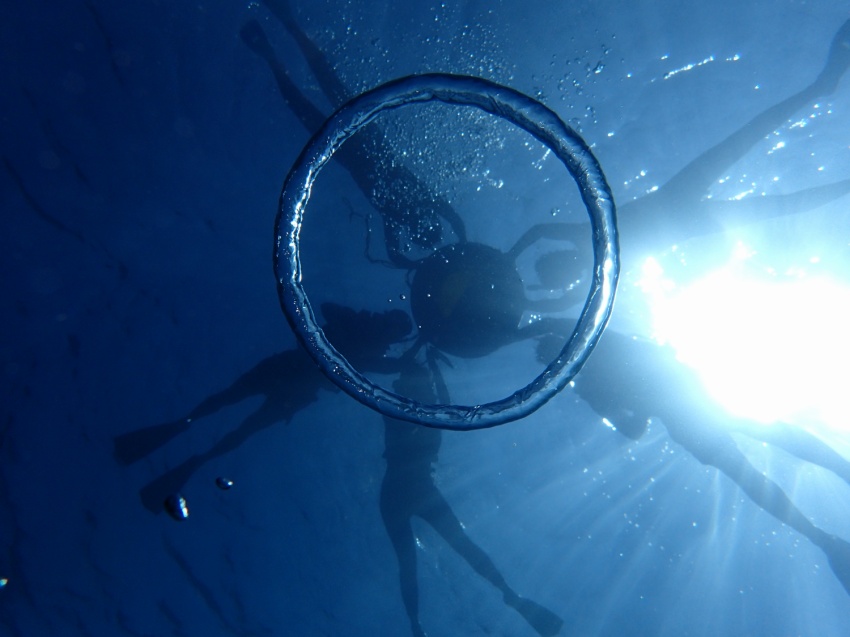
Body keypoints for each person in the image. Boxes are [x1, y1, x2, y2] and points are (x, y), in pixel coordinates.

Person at [537, 329, 850, 596]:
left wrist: (629, 404)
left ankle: (822, 538)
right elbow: (659, 356)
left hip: (686, 414)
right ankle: (836, 493)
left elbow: (634, 429)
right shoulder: (602, 348)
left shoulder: (589, 382)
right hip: (692, 396)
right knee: (771, 437)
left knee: (752, 471)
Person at [114, 303, 412, 512]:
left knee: (244, 426)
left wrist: (403, 363)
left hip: (297, 388)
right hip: (289, 373)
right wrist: (355, 323)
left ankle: (196, 459)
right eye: (389, 321)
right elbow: (326, 307)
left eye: (391, 327)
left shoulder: (374, 353)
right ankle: (183, 426)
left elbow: (378, 367)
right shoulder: (358, 326)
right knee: (228, 401)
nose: (385, 326)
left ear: (393, 336)